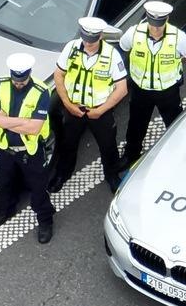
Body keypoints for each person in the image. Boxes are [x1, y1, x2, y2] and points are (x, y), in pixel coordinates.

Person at [119, 1, 186, 170]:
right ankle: (131, 155)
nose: (156, 29)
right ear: (147, 19)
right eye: (153, 23)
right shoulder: (133, 33)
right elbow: (123, 47)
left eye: (160, 24)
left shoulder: (178, 37)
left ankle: (178, 155)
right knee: (136, 125)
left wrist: (178, 61)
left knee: (174, 125)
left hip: (167, 91)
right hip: (141, 90)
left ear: (167, 19)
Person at [50, 16, 128, 194]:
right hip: (73, 108)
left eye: (91, 40)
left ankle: (112, 175)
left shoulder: (111, 55)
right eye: (85, 38)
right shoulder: (71, 48)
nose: (87, 43)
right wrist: (68, 104)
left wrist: (100, 111)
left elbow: (121, 89)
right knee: (68, 143)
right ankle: (62, 174)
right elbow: (59, 75)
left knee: (108, 145)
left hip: (100, 111)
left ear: (100, 36)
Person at [0, 53, 56, 244]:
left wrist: (5, 120)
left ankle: (45, 220)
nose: (18, 84)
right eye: (15, 80)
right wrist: (22, 121)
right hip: (5, 148)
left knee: (38, 188)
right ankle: (5, 210)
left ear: (29, 74)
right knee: (4, 183)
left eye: (22, 81)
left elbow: (34, 128)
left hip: (30, 151)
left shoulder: (41, 91)